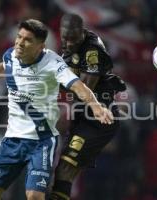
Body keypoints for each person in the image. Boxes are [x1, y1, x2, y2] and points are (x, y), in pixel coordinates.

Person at [0, 19, 114, 200]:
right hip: (12, 141)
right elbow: (3, 67)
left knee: (34, 196)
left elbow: (77, 86)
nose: (19, 42)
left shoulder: (53, 64)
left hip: (41, 142)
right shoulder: (11, 55)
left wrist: (96, 106)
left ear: (40, 46)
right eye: (19, 37)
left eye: (27, 40)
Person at [49, 13, 126, 200]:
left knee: (66, 168)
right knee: (65, 172)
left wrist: (48, 84)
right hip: (82, 119)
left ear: (82, 33)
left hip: (98, 120)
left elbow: (85, 88)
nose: (67, 44)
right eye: (64, 38)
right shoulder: (68, 47)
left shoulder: (92, 51)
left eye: (72, 39)